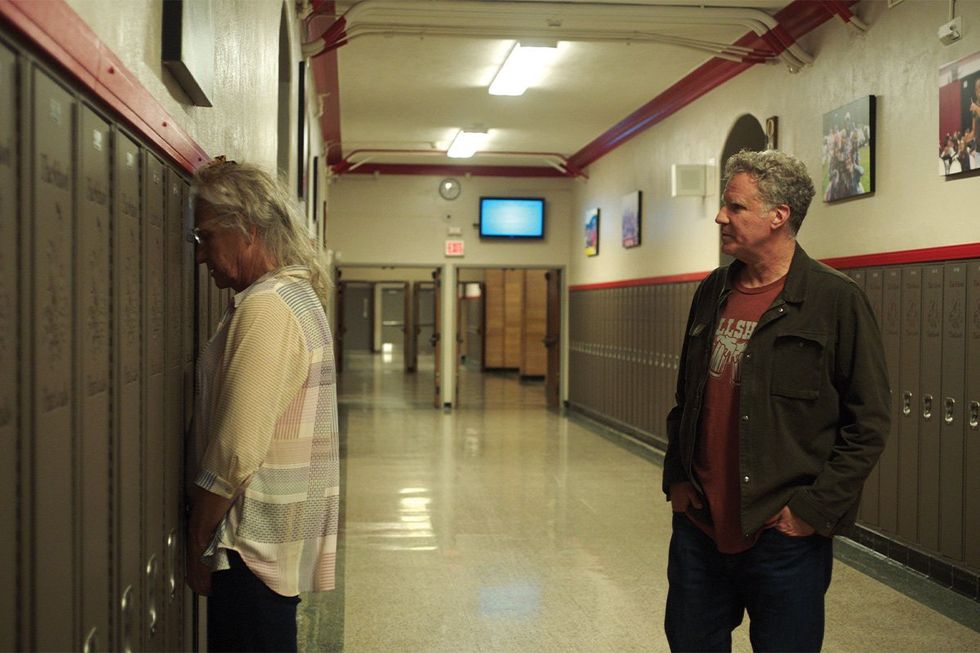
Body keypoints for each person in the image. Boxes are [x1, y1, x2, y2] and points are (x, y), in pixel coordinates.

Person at [662, 150, 890, 652]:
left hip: (782, 537)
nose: (721, 216)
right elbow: (687, 397)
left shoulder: (834, 299)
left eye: (735, 206)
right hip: (700, 526)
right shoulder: (712, 292)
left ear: (778, 216)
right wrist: (677, 478)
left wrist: (812, 510)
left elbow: (868, 420)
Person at [186, 157, 339, 652]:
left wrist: (197, 537)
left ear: (247, 230)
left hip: (246, 548)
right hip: (275, 543)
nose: (201, 256)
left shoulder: (268, 306)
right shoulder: (297, 297)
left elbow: (236, 450)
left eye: (206, 237)